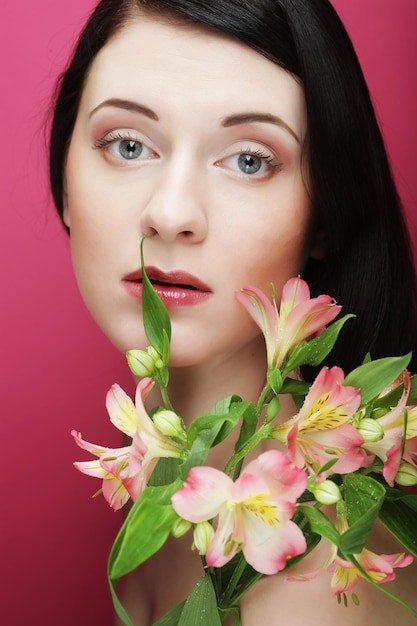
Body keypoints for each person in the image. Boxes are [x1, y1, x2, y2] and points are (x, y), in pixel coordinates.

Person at [49, 0, 417, 624]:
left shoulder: (315, 584)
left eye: (249, 160)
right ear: (63, 181)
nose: (170, 213)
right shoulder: (164, 464)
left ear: (323, 216)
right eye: (129, 145)